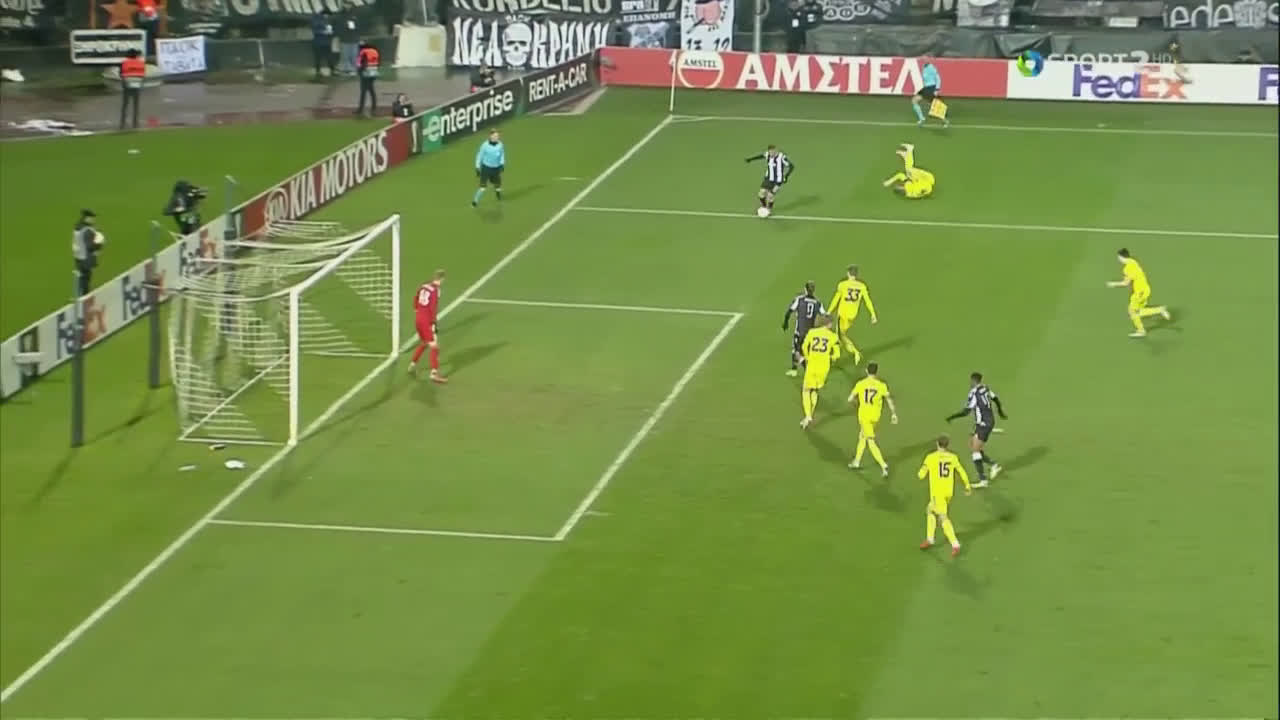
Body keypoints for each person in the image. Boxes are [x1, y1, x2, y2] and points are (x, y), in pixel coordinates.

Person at [945, 372, 1007, 488]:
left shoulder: (973, 393)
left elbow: (966, 411)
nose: (970, 383)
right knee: (971, 444)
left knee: (975, 451)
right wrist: (1000, 411)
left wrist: (952, 417)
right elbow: (995, 398)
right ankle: (993, 465)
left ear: (973, 381)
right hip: (985, 423)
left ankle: (983, 479)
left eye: (971, 381)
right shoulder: (985, 388)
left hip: (984, 424)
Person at [918, 435, 971, 556]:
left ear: (937, 444)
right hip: (948, 492)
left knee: (943, 517)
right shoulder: (953, 457)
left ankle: (955, 544)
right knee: (930, 510)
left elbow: (921, 475)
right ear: (947, 445)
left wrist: (924, 470)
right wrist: (967, 485)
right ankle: (930, 539)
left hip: (937, 493)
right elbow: (961, 471)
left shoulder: (931, 457)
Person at [1106, 248, 1171, 338]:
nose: (1118, 259)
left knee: (1133, 312)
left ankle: (1159, 311)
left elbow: (1125, 283)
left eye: (1118, 257)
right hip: (1145, 289)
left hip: (1139, 293)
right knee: (1136, 311)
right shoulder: (1133, 261)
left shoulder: (1127, 269)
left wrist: (1113, 284)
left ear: (1122, 257)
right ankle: (1142, 329)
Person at [848, 362, 897, 476]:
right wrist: (893, 414)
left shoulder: (861, 384)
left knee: (870, 441)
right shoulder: (881, 385)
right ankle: (857, 461)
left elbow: (850, 399)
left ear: (866, 370)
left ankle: (883, 465)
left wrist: (857, 404)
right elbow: (889, 400)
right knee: (862, 436)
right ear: (876, 372)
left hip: (864, 416)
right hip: (875, 416)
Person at [827, 264, 878, 364]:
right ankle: (837, 354)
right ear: (856, 274)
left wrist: (829, 311)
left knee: (840, 335)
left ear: (848, 273)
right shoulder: (862, 286)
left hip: (842, 314)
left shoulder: (842, 285)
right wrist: (873, 314)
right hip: (852, 315)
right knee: (840, 334)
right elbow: (867, 301)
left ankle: (853, 352)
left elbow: (836, 299)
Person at [799, 314, 840, 429]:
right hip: (824, 367)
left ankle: (808, 416)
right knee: (815, 389)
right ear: (829, 324)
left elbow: (804, 346)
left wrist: (807, 357)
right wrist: (830, 358)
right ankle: (809, 416)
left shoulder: (812, 332)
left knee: (806, 390)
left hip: (812, 364)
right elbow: (837, 355)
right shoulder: (834, 337)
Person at [409, 269, 448, 383]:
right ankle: (434, 373)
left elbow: (416, 297)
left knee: (424, 343)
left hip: (418, 319)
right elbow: (432, 307)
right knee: (434, 347)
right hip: (427, 322)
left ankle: (412, 366)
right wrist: (433, 323)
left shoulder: (424, 285)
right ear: (442, 279)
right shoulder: (436, 290)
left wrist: (416, 309)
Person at [782, 281, 824, 377]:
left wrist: (785, 323)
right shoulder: (818, 303)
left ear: (805, 289)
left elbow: (789, 311)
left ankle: (799, 369)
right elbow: (824, 315)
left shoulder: (799, 299)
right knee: (807, 351)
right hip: (811, 333)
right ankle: (807, 368)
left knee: (796, 350)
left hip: (800, 331)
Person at [745, 144, 793, 215]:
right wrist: (750, 159)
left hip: (778, 180)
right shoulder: (767, 154)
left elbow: (791, 166)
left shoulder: (782, 157)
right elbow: (760, 156)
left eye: (772, 152)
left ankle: (769, 210)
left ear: (775, 150)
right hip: (768, 178)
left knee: (770, 195)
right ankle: (764, 207)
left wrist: (786, 176)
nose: (771, 154)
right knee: (761, 194)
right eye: (770, 152)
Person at [71, 209, 104, 296]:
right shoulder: (87, 230)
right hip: (85, 258)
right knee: (85, 281)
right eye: (92, 218)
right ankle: (84, 299)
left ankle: (80, 296)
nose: (93, 220)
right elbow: (90, 246)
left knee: (81, 280)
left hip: (78, 257)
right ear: (87, 218)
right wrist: (99, 242)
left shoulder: (78, 227)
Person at [472, 128, 505, 207]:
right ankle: (475, 202)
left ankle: (498, 193)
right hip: (486, 168)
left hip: (496, 168)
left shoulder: (500, 145)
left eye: (498, 136)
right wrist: (477, 167)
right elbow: (479, 156)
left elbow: (502, 154)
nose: (497, 137)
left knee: (497, 184)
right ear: (490, 136)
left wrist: (502, 164)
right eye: (495, 136)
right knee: (483, 187)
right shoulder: (485, 145)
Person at [913, 58, 948, 128]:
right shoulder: (924, 67)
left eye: (926, 59)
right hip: (926, 88)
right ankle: (922, 118)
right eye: (924, 58)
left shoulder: (931, 68)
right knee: (915, 101)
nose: (924, 59)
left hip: (931, 88)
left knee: (933, 106)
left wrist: (937, 89)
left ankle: (945, 121)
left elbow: (938, 78)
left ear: (929, 60)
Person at [119, 48, 145, 131]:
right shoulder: (141, 63)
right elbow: (143, 74)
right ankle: (135, 123)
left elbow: (121, 74)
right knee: (136, 104)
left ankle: (122, 123)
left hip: (127, 83)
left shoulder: (124, 62)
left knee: (125, 104)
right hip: (137, 83)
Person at [356, 40, 380, 116]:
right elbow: (378, 63)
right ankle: (374, 108)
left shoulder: (363, 52)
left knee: (363, 91)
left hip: (366, 73)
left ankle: (360, 109)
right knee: (371, 90)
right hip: (373, 73)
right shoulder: (375, 51)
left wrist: (359, 72)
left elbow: (362, 64)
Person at [311, 9, 335, 78]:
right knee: (318, 57)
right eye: (326, 15)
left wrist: (331, 32)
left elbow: (331, 29)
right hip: (318, 42)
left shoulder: (328, 20)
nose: (327, 16)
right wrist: (323, 32)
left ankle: (332, 70)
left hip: (327, 42)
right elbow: (315, 30)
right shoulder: (316, 19)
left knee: (329, 57)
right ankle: (318, 71)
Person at [337, 2, 360, 75]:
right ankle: (346, 69)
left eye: (349, 4)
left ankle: (354, 69)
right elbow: (338, 25)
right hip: (344, 38)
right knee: (345, 55)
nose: (347, 5)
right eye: (346, 3)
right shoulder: (341, 14)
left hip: (354, 38)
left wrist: (352, 25)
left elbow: (358, 25)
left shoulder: (355, 13)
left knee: (353, 54)